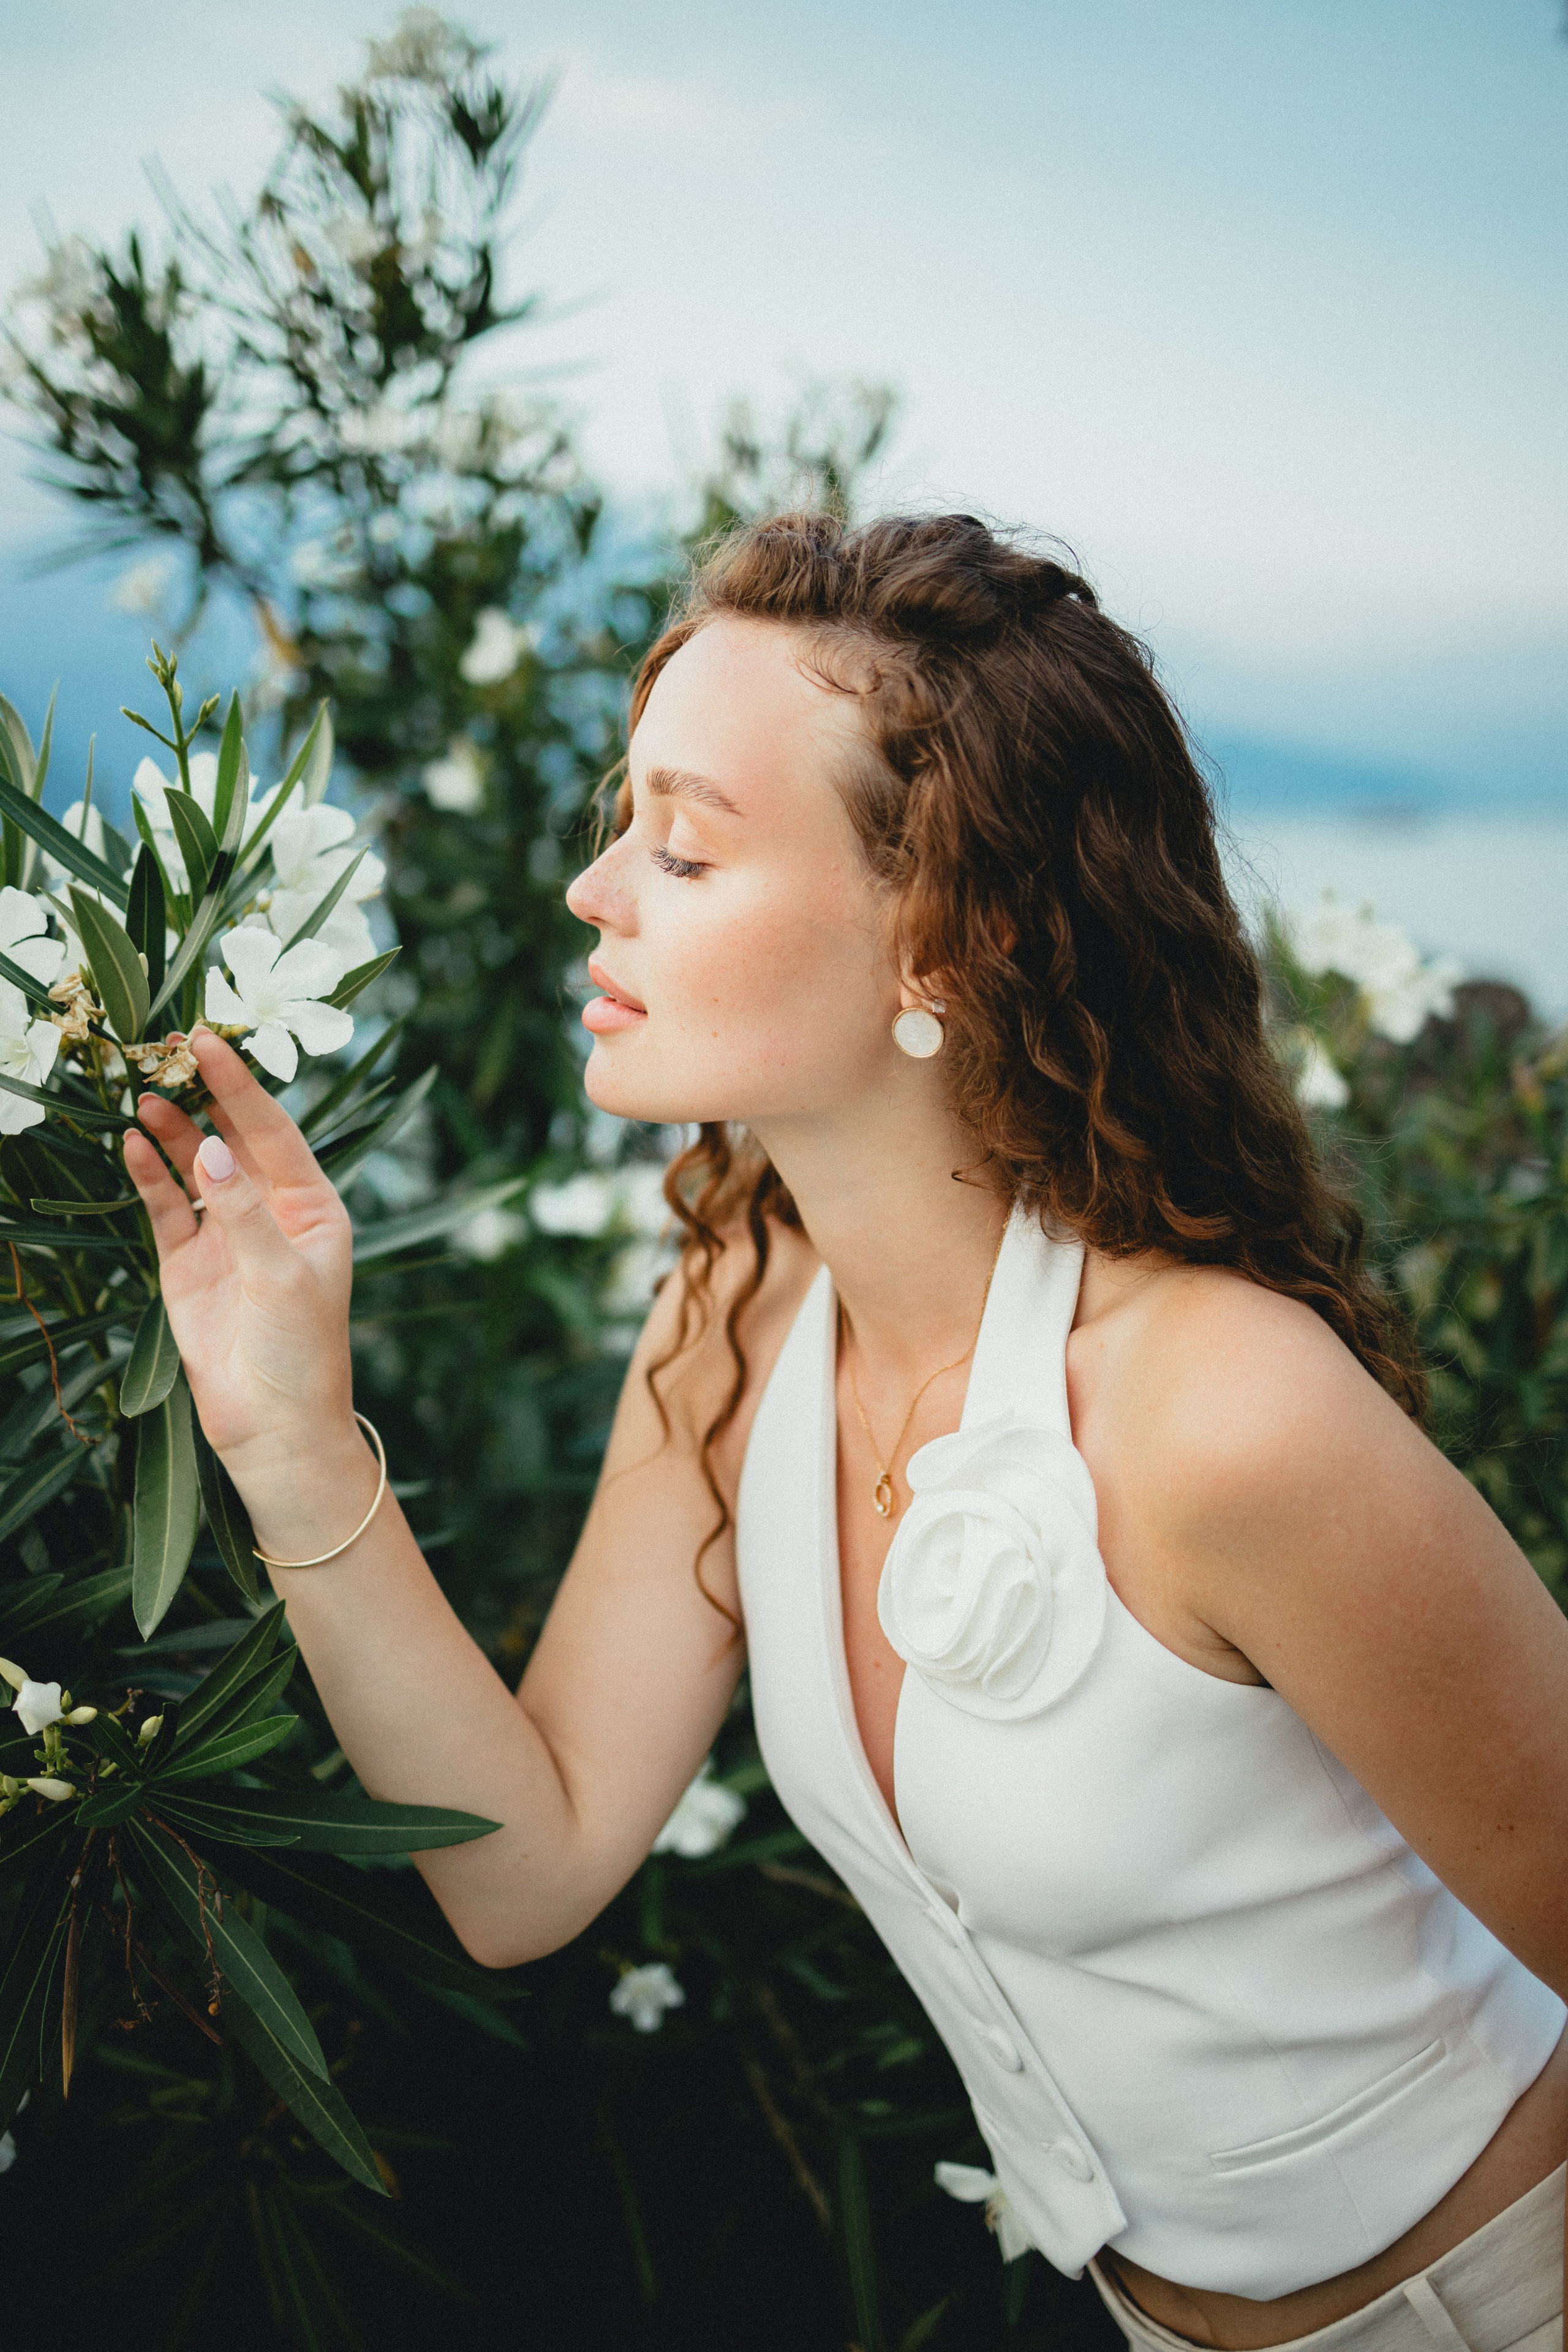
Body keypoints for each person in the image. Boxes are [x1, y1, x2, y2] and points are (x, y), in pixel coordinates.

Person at [124, 513, 1568, 2352]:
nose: (598, 892)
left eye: (688, 846)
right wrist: (291, 1439)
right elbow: (524, 1868)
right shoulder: (734, 1319)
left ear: (937, 950)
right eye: (619, 821)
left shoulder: (1226, 1416)